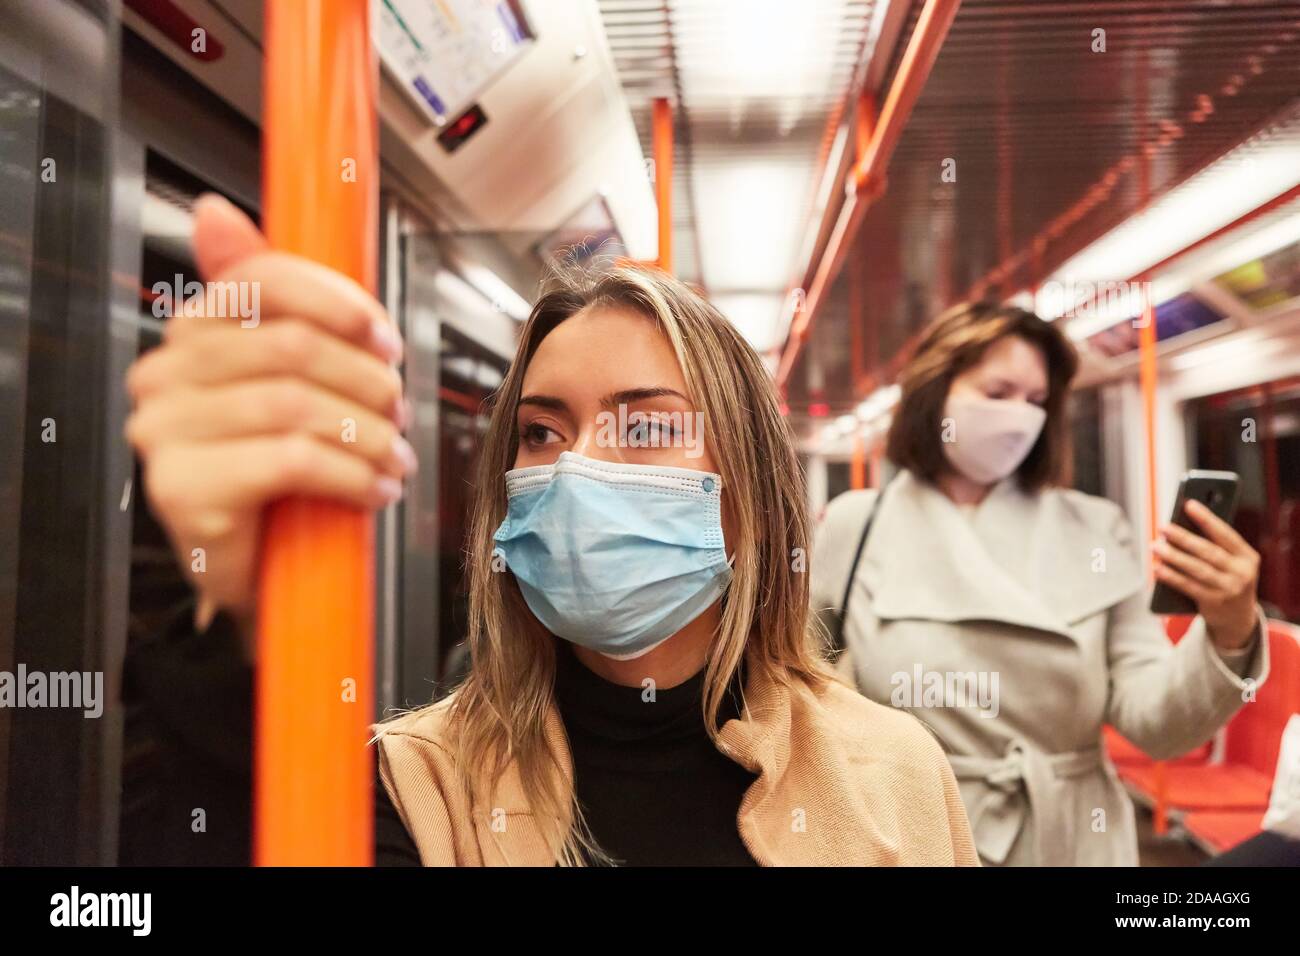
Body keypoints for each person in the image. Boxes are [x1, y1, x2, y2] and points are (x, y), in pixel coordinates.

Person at [125, 194, 978, 866]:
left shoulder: (891, 773)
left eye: (646, 426)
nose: (573, 469)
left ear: (748, 489)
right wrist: (240, 626)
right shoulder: (421, 788)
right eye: (542, 432)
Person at [811, 302, 1270, 867]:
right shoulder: (858, 524)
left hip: (1071, 836)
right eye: (997, 392)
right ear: (936, 395)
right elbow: (796, 683)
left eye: (1036, 402)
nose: (1018, 418)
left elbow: (1158, 725)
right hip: (910, 829)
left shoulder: (1096, 529)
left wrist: (1229, 628)